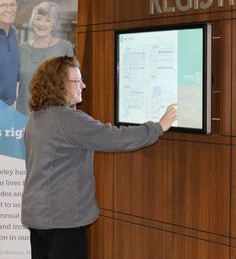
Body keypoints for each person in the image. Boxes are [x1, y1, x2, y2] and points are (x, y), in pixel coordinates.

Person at [21, 56, 177, 259]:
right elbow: (115, 138)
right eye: (77, 81)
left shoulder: (37, 117)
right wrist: (158, 126)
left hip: (38, 217)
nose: (83, 86)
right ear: (59, 85)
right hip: (62, 222)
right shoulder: (69, 120)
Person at [16, 1, 74, 116]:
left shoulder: (65, 47)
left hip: (54, 117)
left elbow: (72, 84)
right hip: (23, 116)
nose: (41, 24)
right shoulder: (21, 49)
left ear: (55, 24)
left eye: (48, 20)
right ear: (33, 21)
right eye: (38, 19)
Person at [0, 0, 20, 106]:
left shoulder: (14, 34)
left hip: (9, 107)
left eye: (12, 5)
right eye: (3, 5)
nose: (9, 9)